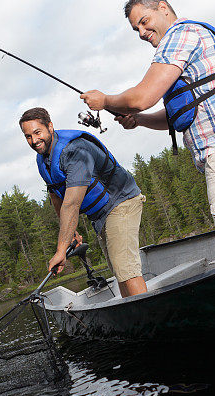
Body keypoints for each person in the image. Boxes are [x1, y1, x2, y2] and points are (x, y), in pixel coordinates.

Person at [81, 0, 215, 247]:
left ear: (163, 8)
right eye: (135, 29)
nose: (141, 33)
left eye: (144, 21)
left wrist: (105, 100)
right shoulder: (192, 36)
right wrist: (139, 120)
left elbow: (142, 97)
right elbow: (180, 112)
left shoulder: (180, 35)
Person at [19, 107, 148, 297]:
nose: (34, 140)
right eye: (28, 136)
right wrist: (71, 234)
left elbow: (71, 203)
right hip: (101, 214)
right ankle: (135, 316)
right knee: (119, 271)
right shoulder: (43, 158)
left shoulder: (74, 151)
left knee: (127, 270)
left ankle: (149, 317)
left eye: (37, 132)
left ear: (50, 127)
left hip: (121, 201)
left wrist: (61, 250)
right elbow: (56, 195)